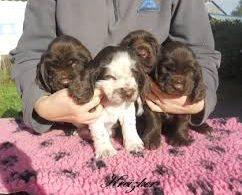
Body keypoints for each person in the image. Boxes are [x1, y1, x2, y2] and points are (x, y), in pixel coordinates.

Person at [10, 0, 221, 134]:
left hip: (154, 122)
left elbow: (199, 52)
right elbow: (31, 52)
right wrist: (40, 102)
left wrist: (200, 98)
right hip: (70, 122)